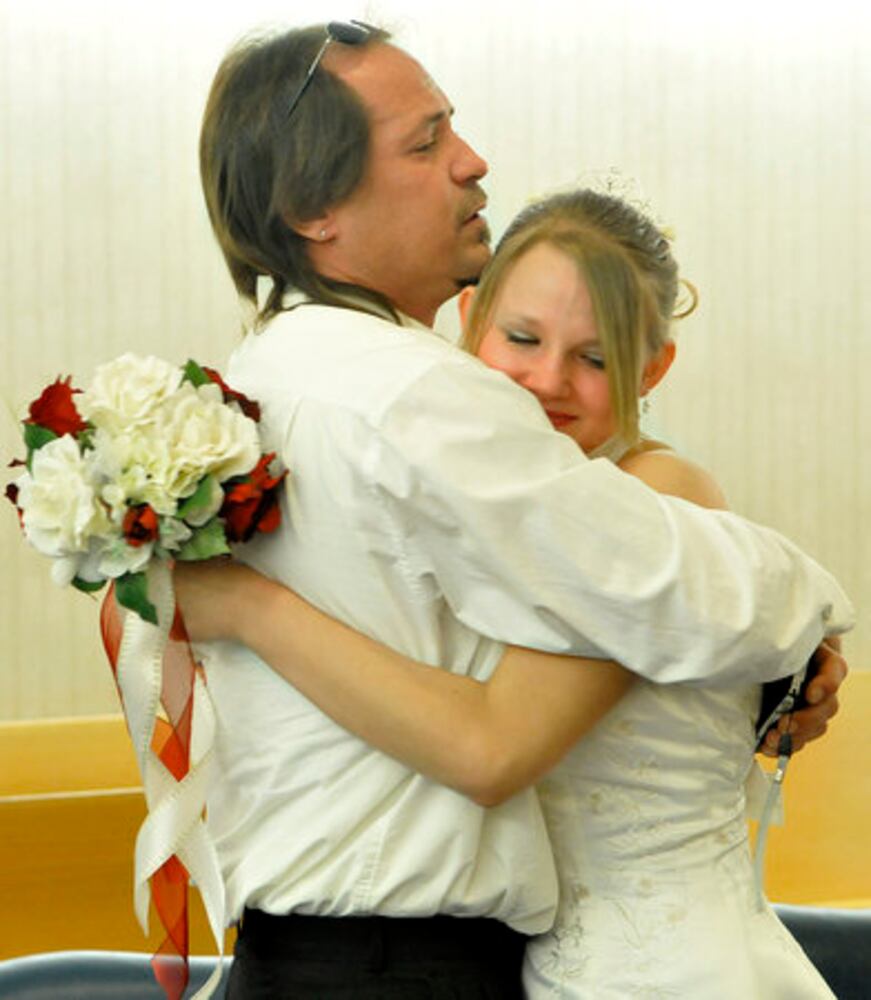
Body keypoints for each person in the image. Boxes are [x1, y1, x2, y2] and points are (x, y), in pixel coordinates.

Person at [190, 20, 852, 998]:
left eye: (593, 355)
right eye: (425, 143)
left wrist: (774, 674)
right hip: (411, 962)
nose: (472, 162)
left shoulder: (240, 395)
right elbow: (496, 740)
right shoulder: (416, 397)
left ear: (648, 366)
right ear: (313, 205)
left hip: (577, 958)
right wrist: (808, 617)